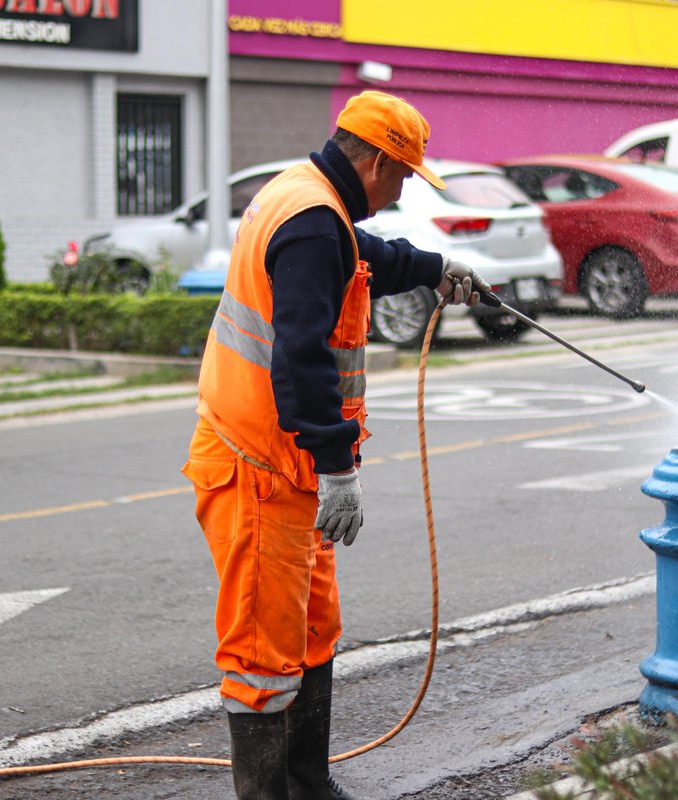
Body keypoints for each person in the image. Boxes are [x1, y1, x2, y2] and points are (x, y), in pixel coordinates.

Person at [182, 90, 490, 800]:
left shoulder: (307, 198)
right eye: (405, 173)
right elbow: (300, 357)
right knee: (262, 656)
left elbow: (363, 257)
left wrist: (433, 267)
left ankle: (307, 784)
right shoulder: (316, 223)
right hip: (260, 466)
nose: (405, 186)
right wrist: (337, 468)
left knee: (312, 629)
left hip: (285, 471)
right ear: (377, 159)